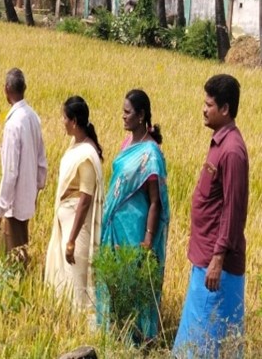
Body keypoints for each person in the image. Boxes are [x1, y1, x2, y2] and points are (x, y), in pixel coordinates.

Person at [173, 74, 249, 358]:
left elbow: (234, 210)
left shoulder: (232, 152)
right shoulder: (220, 143)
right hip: (205, 260)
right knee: (197, 338)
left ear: (225, 109)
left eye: (209, 104)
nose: (204, 109)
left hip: (218, 268)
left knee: (208, 341)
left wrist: (217, 259)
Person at [98, 89, 170, 343]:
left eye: (127, 112)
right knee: (116, 282)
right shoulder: (127, 145)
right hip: (116, 227)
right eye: (123, 111)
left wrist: (149, 238)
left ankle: (137, 341)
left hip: (136, 230)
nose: (123, 117)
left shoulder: (151, 154)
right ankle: (117, 335)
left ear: (141, 116)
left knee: (134, 283)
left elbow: (155, 201)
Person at [45, 96, 104, 315]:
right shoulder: (76, 146)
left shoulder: (86, 155)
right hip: (66, 223)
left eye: (65, 117)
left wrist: (71, 240)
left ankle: (80, 331)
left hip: (78, 230)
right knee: (65, 280)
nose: (62, 121)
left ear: (74, 121)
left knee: (77, 283)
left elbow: (86, 199)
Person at [0, 68, 47, 264]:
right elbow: (42, 160)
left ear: (6, 89)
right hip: (27, 197)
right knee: (23, 245)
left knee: (14, 255)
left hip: (14, 203)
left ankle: (19, 285)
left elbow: (10, 172)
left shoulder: (13, 123)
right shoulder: (33, 117)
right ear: (24, 88)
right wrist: (36, 189)